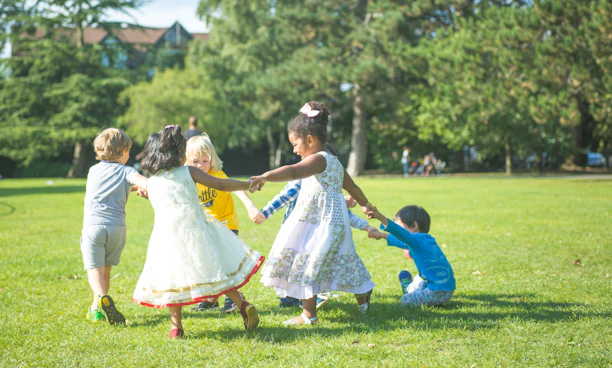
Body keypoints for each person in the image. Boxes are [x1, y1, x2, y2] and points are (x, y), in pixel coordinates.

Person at [132, 125, 265, 338]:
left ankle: (176, 327)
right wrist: (248, 185)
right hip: (197, 231)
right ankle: (242, 305)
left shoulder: (153, 182)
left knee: (172, 279)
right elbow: (220, 184)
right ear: (179, 153)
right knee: (215, 269)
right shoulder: (188, 172)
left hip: (166, 238)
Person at [251, 102, 376, 326]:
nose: (294, 150)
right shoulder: (335, 162)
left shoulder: (318, 160)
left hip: (320, 224)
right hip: (334, 222)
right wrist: (365, 204)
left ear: (310, 140)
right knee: (342, 260)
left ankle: (309, 315)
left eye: (295, 144)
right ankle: (363, 295)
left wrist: (266, 176)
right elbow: (353, 187)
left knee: (307, 262)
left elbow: (293, 171)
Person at [185, 134, 260, 313]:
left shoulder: (218, 175)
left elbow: (236, 189)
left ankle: (234, 299)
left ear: (212, 159)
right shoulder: (190, 179)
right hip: (205, 228)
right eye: (195, 161)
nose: (201, 166)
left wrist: (250, 206)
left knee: (225, 264)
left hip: (227, 226)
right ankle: (210, 300)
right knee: (207, 263)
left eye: (205, 160)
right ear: (187, 160)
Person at [81, 128, 149, 325]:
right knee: (106, 269)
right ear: (124, 152)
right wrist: (145, 188)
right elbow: (143, 183)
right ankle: (96, 308)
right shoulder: (127, 171)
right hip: (117, 228)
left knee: (94, 268)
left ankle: (102, 296)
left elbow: (107, 185)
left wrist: (135, 187)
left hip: (94, 226)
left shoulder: (93, 170)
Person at [366, 205, 455, 307]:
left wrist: (379, 216)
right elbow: (400, 241)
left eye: (401, 228)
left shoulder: (416, 239)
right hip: (444, 288)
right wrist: (382, 235)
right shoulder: (425, 239)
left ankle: (407, 288)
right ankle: (411, 288)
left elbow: (399, 233)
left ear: (413, 226)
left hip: (437, 292)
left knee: (405, 300)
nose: (399, 234)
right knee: (419, 280)